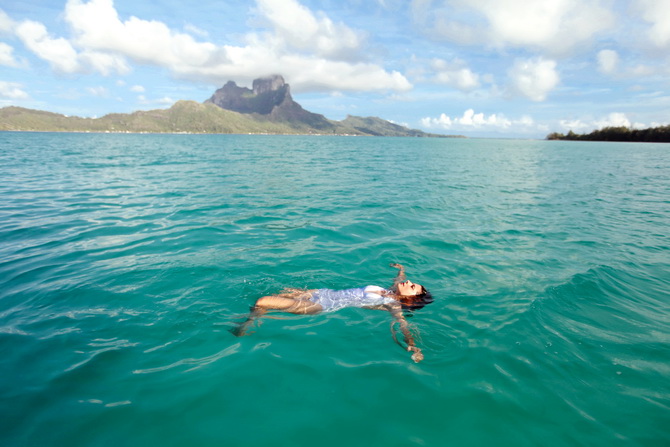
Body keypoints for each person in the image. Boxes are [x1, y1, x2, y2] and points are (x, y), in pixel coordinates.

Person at [231, 263, 432, 363]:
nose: (408, 283)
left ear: (410, 299)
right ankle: (257, 316)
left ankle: (246, 326)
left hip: (322, 306)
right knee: (272, 297)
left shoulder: (392, 304)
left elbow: (401, 324)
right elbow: (399, 279)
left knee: (263, 301)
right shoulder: (392, 289)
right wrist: (401, 269)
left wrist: (413, 346)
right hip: (320, 293)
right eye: (411, 282)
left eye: (412, 286)